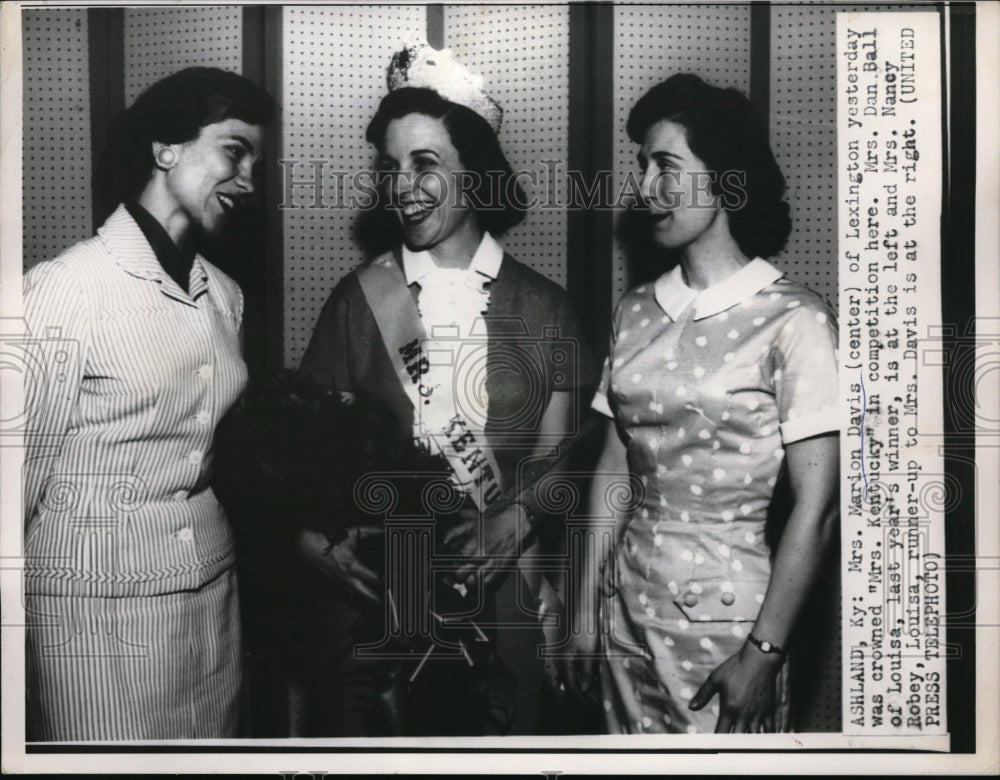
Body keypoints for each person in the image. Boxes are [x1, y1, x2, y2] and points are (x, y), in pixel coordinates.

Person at [297, 42, 592, 735]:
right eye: (392, 168)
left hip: (500, 593)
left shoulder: (548, 308)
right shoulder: (355, 301)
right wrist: (313, 543)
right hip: (373, 604)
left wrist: (513, 521)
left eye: (426, 164)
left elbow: (562, 457)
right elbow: (300, 454)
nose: (404, 186)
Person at [564, 73, 839, 734]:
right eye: (642, 167)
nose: (645, 188)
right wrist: (581, 613)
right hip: (624, 616)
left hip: (729, 626)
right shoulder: (635, 310)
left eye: (666, 166)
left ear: (725, 180)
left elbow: (818, 506)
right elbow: (611, 470)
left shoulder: (794, 320)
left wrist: (763, 655)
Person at [22, 67, 275, 740]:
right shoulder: (63, 290)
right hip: (94, 618)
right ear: (166, 149)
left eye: (257, 160)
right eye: (233, 150)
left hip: (211, 603)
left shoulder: (225, 295)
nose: (249, 178)